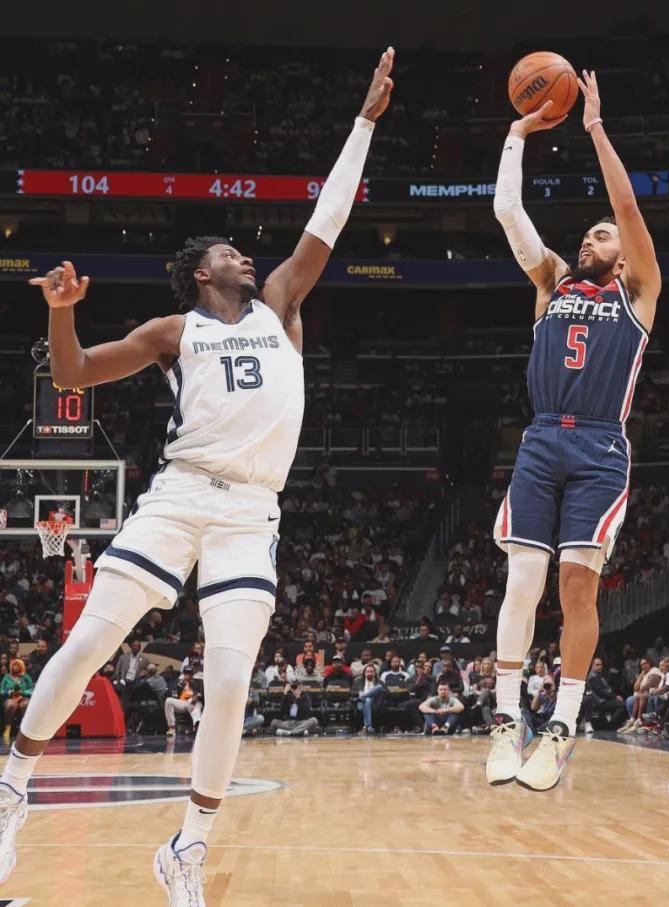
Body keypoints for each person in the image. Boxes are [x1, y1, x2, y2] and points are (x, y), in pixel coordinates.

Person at [0, 50, 395, 901]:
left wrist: (365, 123)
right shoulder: (175, 330)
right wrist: (61, 314)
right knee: (89, 643)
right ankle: (11, 787)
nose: (245, 255)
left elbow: (327, 222)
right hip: (181, 495)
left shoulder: (281, 303)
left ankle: (187, 847)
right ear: (201, 273)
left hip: (252, 513)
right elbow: (72, 374)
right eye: (229, 251)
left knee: (229, 679)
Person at [486, 70, 662, 793]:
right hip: (540, 438)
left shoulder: (641, 293)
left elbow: (626, 205)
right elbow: (506, 210)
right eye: (588, 232)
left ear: (624, 253)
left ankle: (562, 724)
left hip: (598, 445)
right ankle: (506, 720)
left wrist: (593, 127)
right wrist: (516, 135)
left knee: (575, 589)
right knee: (522, 580)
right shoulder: (553, 281)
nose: (592, 236)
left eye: (603, 234)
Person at [0, 662, 33, 736]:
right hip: (10, 698)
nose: (16, 667)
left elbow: (32, 689)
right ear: (11, 666)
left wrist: (23, 692)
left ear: (22, 666)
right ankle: (7, 727)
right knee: (11, 705)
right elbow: (1, 690)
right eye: (14, 665)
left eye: (18, 665)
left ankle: (24, 728)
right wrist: (9, 692)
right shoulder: (7, 676)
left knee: (26, 704)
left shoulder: (26, 677)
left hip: (23, 697)